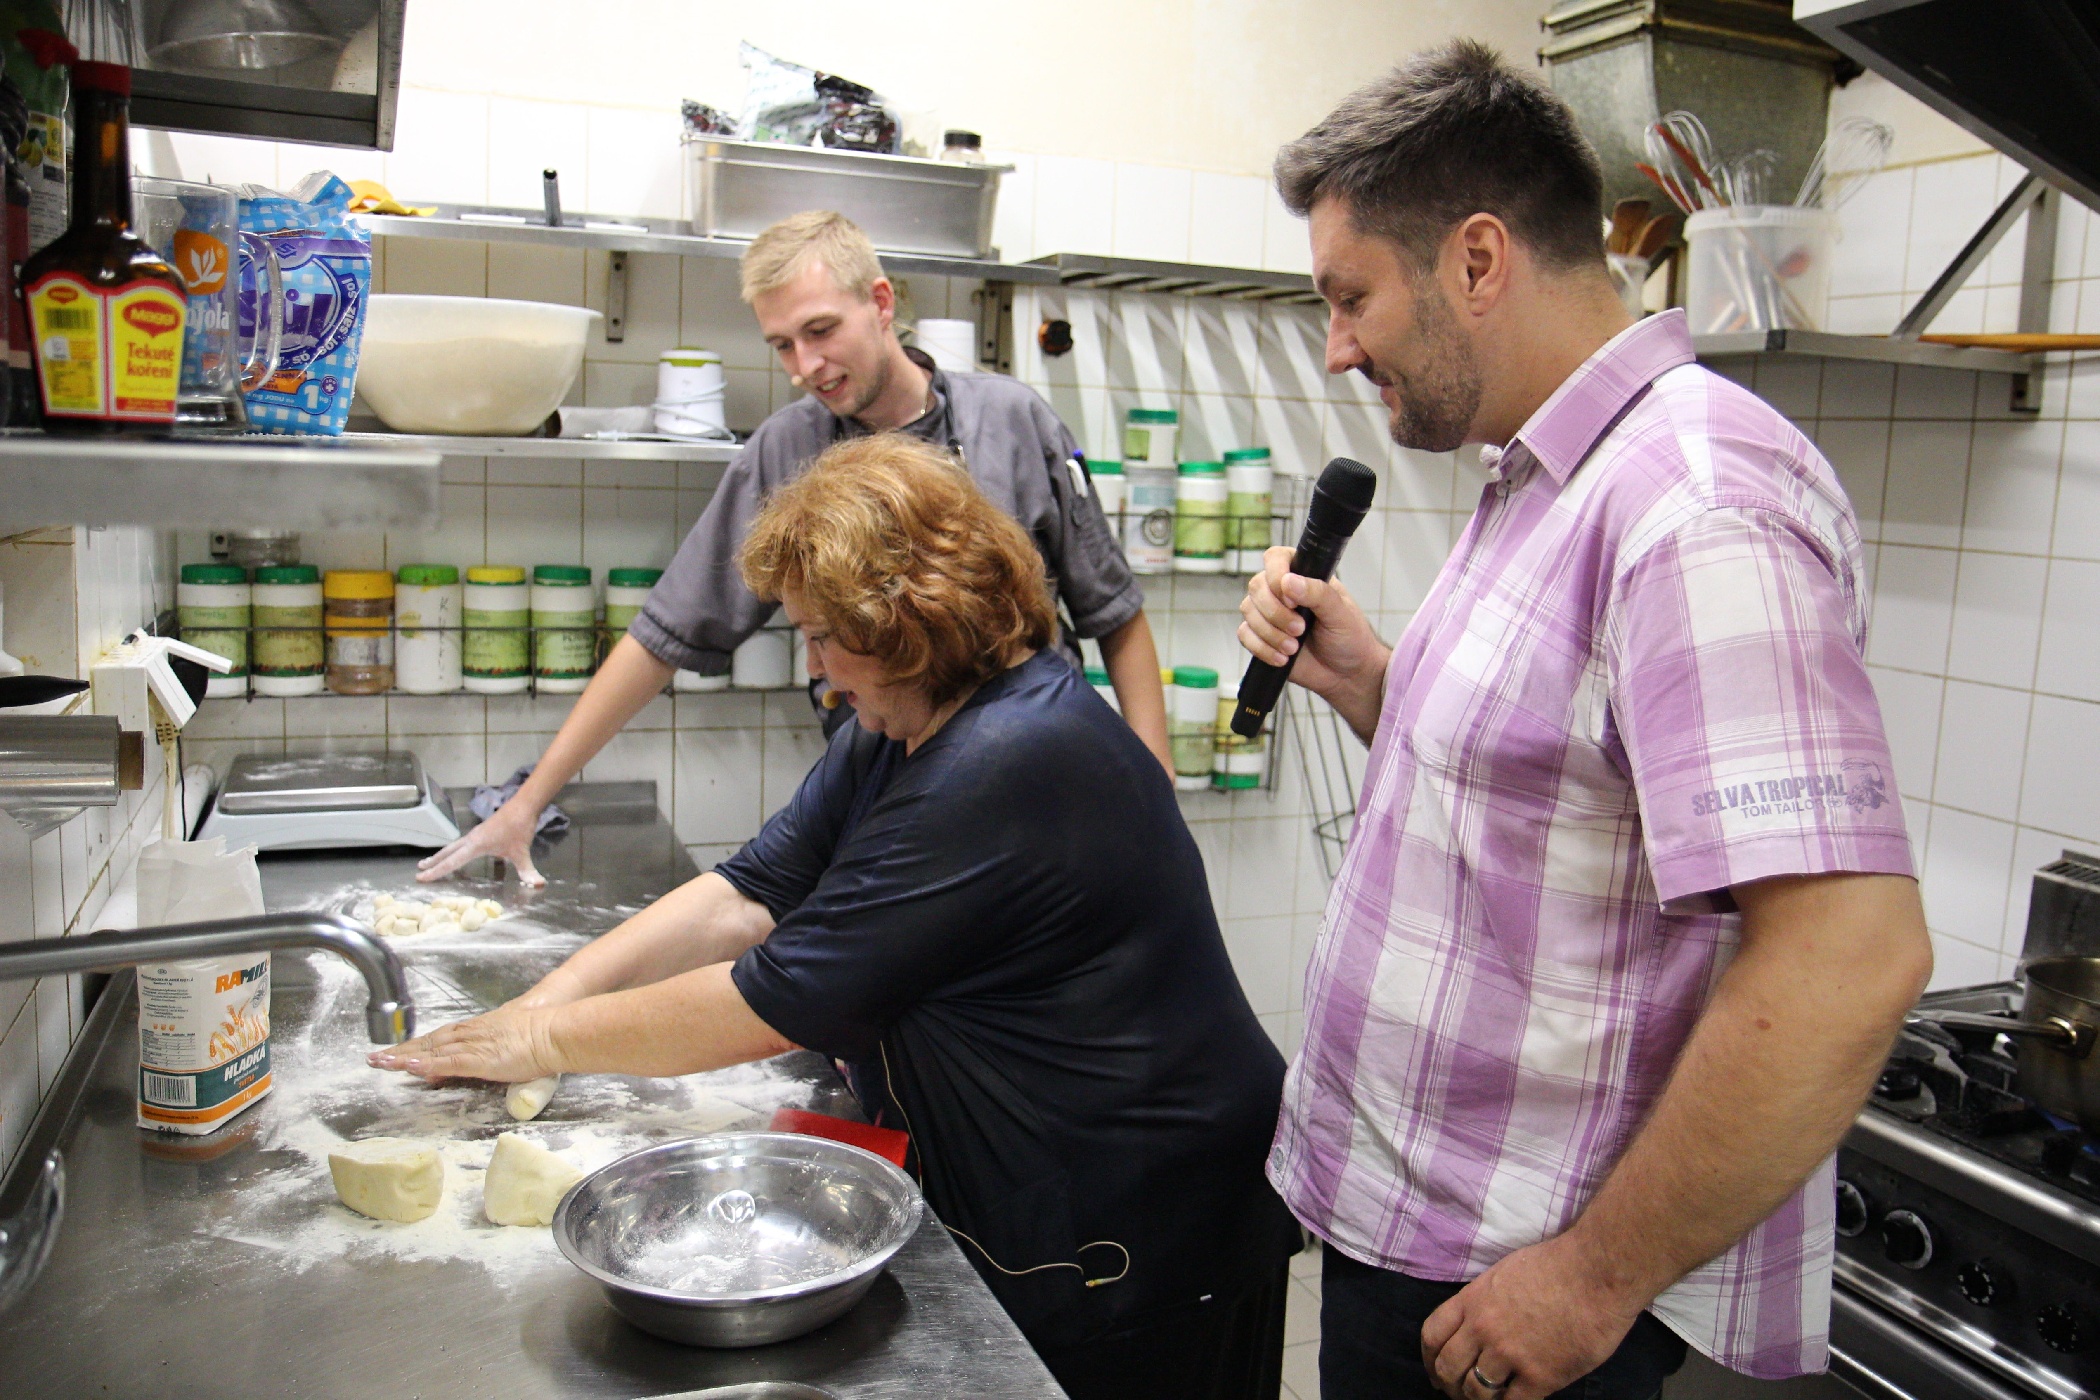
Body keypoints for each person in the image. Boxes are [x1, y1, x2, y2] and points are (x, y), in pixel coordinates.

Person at [1235, 42, 1932, 1400]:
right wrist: (1371, 678)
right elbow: (1556, 802)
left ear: (1477, 260)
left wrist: (1594, 1279)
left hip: (1514, 1286)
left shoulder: (1697, 505)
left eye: (1351, 297)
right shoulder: (1545, 472)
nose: (1338, 346)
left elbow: (1851, 955)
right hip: (1413, 1231)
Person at [375, 433, 1302, 1400]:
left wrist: (543, 1042)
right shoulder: (905, 724)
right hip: (1061, 1186)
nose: (816, 667)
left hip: (1152, 1227)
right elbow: (747, 893)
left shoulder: (1008, 760)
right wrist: (544, 1005)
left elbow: (770, 1002)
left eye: (823, 635)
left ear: (907, 622)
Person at [418, 210, 1171, 886]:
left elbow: (1114, 613)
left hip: (1042, 787)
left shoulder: (1013, 420)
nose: (804, 366)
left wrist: (1153, 783)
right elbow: (663, 634)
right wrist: (530, 801)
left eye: (820, 331)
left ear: (881, 303)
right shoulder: (788, 451)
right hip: (893, 798)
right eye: (782, 344)